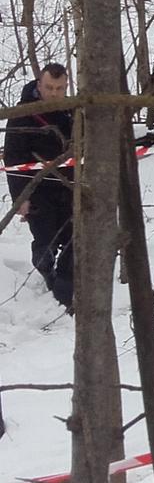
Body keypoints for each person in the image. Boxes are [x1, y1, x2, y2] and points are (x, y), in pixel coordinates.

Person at [4, 63, 74, 309]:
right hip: (38, 190)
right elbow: (13, 159)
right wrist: (21, 198)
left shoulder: (73, 111)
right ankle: (46, 269)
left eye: (60, 88)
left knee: (73, 241)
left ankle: (65, 294)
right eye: (49, 88)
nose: (54, 94)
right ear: (38, 85)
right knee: (45, 243)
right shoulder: (23, 113)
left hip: (70, 188)